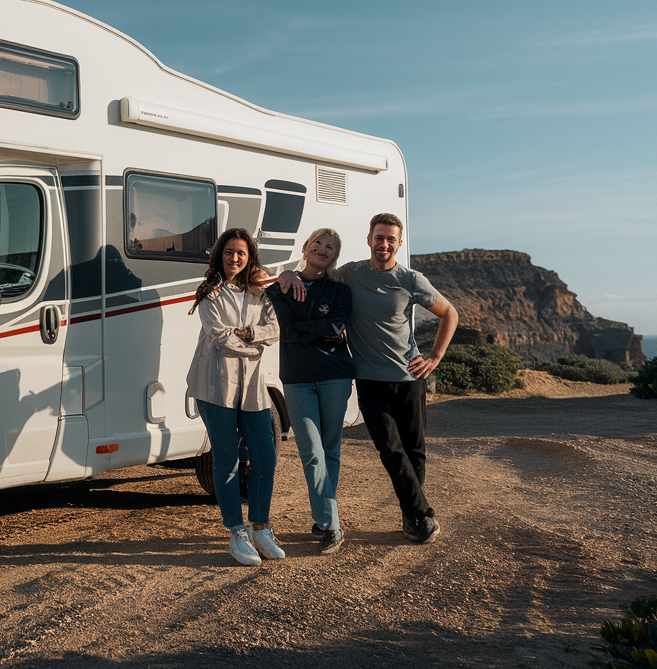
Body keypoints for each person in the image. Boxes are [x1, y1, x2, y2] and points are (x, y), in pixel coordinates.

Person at [278, 213, 458, 544]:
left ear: (399, 243)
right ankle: (421, 513)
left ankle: (411, 517)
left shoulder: (411, 279)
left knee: (414, 451)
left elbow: (450, 313)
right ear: (369, 239)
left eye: (391, 239)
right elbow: (317, 268)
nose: (384, 244)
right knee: (391, 451)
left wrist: (434, 358)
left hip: (409, 378)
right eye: (379, 237)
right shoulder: (351, 274)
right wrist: (286, 272)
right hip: (369, 380)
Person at [187, 228, 283, 566]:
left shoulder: (260, 293)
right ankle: (237, 532)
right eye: (229, 252)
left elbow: (274, 329)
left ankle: (261, 527)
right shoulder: (209, 292)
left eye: (241, 253)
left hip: (253, 387)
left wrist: (252, 334)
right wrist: (255, 344)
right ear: (220, 254)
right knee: (225, 461)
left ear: (249, 256)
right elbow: (220, 337)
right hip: (216, 386)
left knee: (265, 456)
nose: (235, 258)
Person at [265, 229, 355, 555]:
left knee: (330, 450)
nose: (322, 249)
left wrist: (307, 329)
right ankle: (331, 524)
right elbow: (285, 331)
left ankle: (323, 517)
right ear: (305, 248)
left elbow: (335, 327)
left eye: (329, 247)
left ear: (333, 257)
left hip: (336, 377)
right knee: (312, 452)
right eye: (317, 243)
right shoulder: (283, 287)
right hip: (297, 379)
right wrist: (314, 329)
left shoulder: (340, 291)